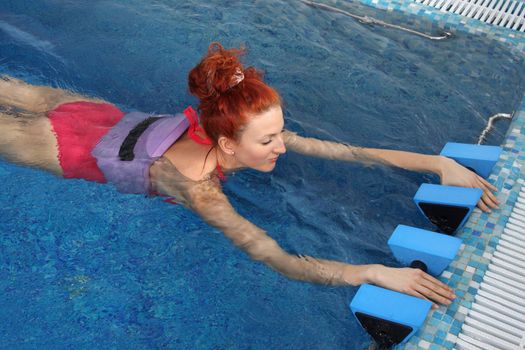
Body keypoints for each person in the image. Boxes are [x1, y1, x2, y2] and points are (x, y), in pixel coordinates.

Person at [0, 42, 499, 308]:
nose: (284, 146)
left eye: (281, 133)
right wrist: (370, 271)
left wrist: (438, 163)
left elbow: (347, 151)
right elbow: (276, 257)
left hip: (95, 114)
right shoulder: (197, 189)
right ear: (226, 145)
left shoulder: (230, 122)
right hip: (59, 145)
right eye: (270, 140)